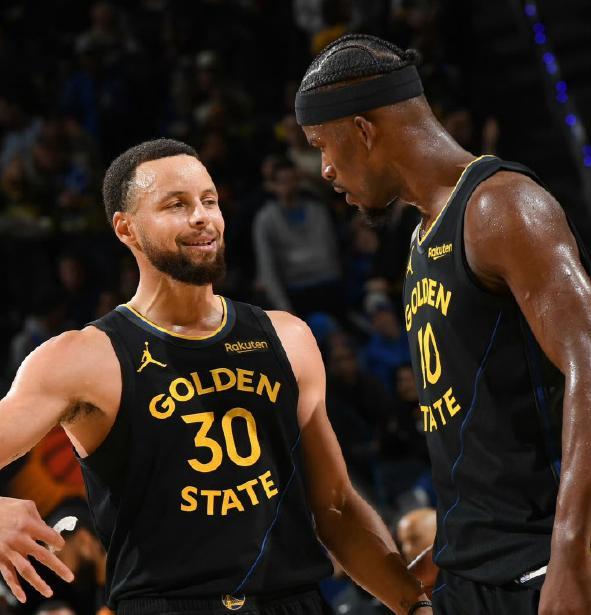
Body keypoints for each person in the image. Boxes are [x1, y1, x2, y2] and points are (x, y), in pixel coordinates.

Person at [0, 139, 431, 615]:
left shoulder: (286, 337)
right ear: (126, 228)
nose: (202, 217)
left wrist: (415, 606)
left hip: (293, 602)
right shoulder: (81, 358)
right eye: (176, 205)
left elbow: (337, 508)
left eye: (209, 201)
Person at [295, 33, 591, 615]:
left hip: (536, 564)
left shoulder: (501, 207)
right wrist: (452, 544)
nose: (325, 170)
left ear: (363, 130)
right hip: (473, 565)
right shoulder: (423, 236)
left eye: (322, 146)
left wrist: (573, 555)